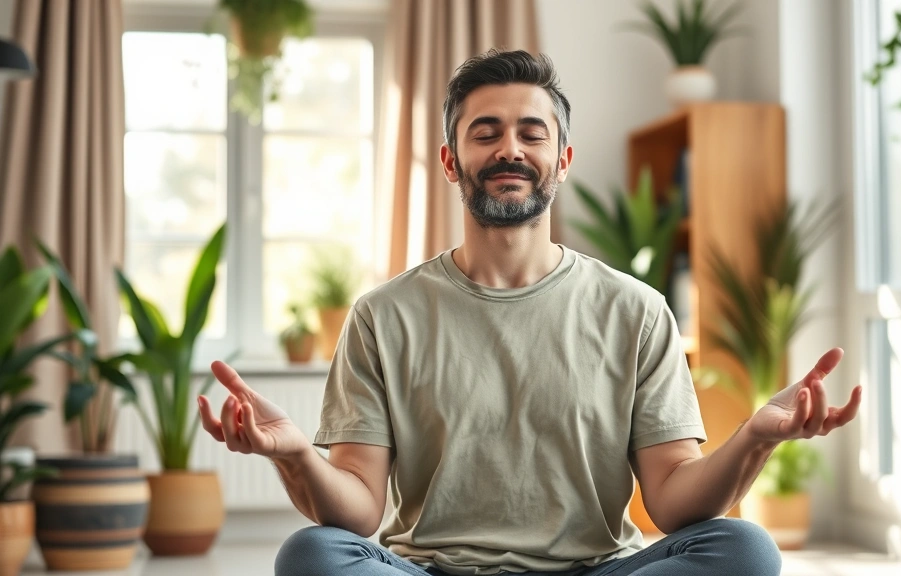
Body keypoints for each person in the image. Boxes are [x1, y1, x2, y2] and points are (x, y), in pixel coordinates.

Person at [197, 49, 862, 576]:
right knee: (309, 557)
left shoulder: (635, 311)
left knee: (745, 551)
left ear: (561, 161)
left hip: (595, 569)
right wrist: (292, 457)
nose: (508, 149)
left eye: (530, 133)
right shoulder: (382, 316)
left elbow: (673, 502)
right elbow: (359, 512)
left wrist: (754, 438)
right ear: (452, 162)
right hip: (432, 570)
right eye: (485, 134)